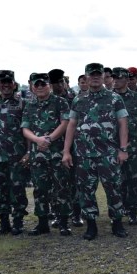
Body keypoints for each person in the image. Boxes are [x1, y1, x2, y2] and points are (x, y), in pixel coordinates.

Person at [62, 63, 129, 240]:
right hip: (84, 155)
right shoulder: (79, 100)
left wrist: (123, 149)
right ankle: (91, 226)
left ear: (103, 76)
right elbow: (72, 125)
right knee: (86, 191)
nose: (95, 77)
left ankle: (117, 224)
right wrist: (66, 151)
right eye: (91, 74)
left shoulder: (114, 99)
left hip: (108, 153)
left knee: (114, 188)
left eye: (98, 74)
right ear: (86, 77)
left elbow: (123, 123)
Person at [21, 73, 72, 236]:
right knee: (40, 189)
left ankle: (63, 223)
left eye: (43, 84)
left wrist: (49, 139)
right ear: (33, 87)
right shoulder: (29, 105)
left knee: (61, 188)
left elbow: (65, 123)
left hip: (57, 152)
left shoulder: (60, 102)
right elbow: (25, 128)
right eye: (37, 85)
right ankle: (42, 223)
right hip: (38, 154)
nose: (40, 87)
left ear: (49, 85)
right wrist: (37, 140)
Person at [0, 70, 30, 236]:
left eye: (9, 82)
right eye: (2, 82)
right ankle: (4, 223)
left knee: (17, 190)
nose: (5, 85)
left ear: (14, 84)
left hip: (16, 156)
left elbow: (27, 130)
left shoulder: (22, 103)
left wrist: (28, 152)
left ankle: (18, 223)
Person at [112, 67, 137, 226]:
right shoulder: (108, 98)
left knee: (134, 181)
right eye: (114, 78)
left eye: (119, 78)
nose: (116, 81)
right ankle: (119, 211)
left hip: (134, 145)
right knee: (116, 181)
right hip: (113, 146)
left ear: (127, 79)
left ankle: (132, 212)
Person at [49, 69, 82, 227]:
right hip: (54, 146)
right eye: (57, 83)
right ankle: (57, 214)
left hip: (75, 145)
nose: (61, 85)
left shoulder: (74, 99)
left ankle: (77, 214)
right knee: (57, 182)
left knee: (75, 181)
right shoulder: (48, 100)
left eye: (62, 81)